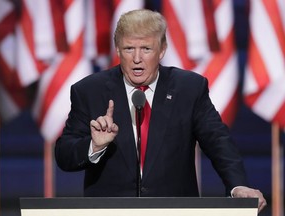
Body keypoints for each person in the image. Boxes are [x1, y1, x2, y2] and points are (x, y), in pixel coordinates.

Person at [55, 9, 266, 212]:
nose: (137, 58)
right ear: (118, 50)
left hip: (176, 210)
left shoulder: (188, 89)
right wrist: (94, 146)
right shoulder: (89, 91)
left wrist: (238, 186)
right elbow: (65, 154)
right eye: (129, 49)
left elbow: (218, 142)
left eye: (146, 49)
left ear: (162, 50)